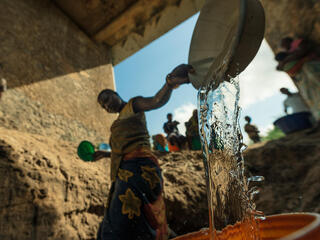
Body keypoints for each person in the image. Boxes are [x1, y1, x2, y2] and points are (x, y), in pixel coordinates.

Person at [94, 64, 193, 240]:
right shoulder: (118, 121)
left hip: (140, 171)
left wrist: (169, 84)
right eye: (103, 105)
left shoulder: (133, 105)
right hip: (125, 173)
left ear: (116, 94)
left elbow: (156, 101)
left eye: (107, 99)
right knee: (123, 222)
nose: (106, 106)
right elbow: (123, 152)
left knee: (121, 223)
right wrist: (103, 154)